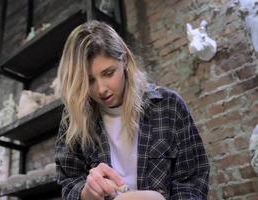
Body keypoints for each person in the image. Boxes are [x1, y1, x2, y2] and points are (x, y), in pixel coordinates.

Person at [54, 20, 210, 200]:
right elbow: (68, 181)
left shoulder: (168, 105)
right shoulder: (73, 118)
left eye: (108, 73)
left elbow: (194, 178)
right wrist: (87, 193)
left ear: (125, 61)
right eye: (89, 80)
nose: (101, 89)